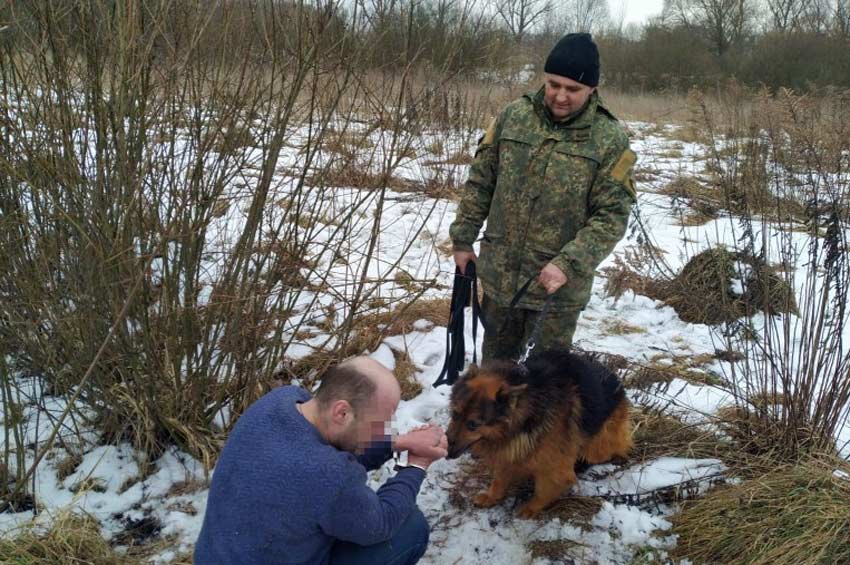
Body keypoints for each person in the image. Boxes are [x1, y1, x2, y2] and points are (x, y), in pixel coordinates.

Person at [449, 32, 638, 362]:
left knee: (542, 389)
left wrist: (567, 264)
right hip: (501, 281)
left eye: (573, 89)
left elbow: (611, 217)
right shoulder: (514, 117)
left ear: (593, 89)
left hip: (556, 293)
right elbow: (481, 182)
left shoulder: (610, 140)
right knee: (494, 381)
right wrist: (462, 240)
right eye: (554, 84)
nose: (560, 96)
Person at [194, 357, 447, 564]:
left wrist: (399, 443)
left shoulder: (281, 401)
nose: (384, 431)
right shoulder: (328, 474)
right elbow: (380, 523)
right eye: (379, 425)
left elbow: (337, 446)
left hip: (215, 555)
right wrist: (417, 464)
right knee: (410, 529)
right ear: (342, 412)